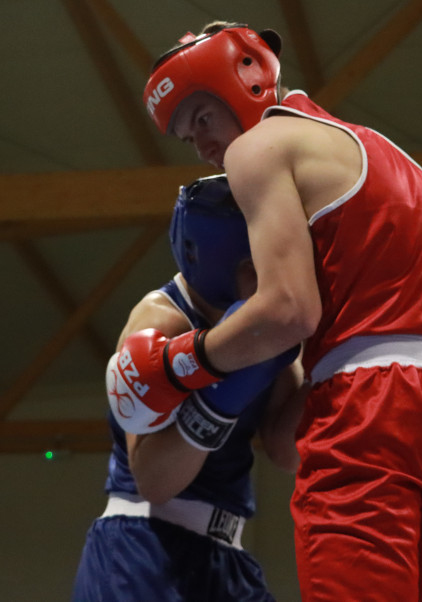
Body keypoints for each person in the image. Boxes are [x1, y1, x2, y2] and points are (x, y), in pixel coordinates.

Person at [115, 22, 422, 601]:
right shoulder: (386, 151)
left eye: (202, 117)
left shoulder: (257, 149)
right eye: (187, 137)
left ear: (246, 80)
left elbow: (289, 310)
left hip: (370, 409)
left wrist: (183, 362)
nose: (204, 146)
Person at [74, 174, 306, 602]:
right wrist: (225, 393)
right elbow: (154, 480)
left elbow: (285, 451)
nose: (280, 272)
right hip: (144, 547)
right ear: (226, 259)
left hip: (227, 556)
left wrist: (335, 361)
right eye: (261, 261)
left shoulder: (266, 322)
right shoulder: (160, 321)